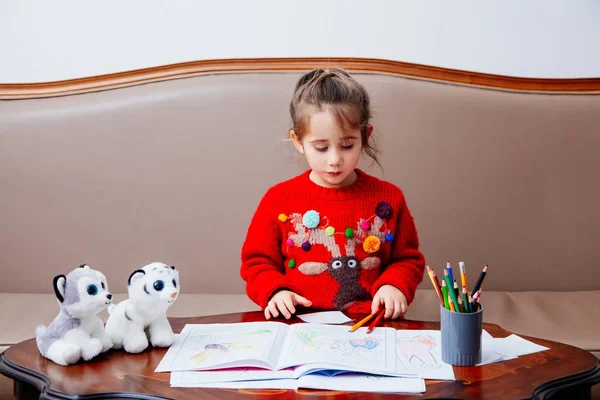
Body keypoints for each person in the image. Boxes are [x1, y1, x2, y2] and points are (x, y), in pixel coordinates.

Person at [240, 68, 425, 321]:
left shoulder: (389, 197)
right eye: (321, 147)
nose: (335, 160)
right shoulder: (278, 199)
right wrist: (276, 290)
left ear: (365, 136)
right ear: (298, 141)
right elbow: (257, 262)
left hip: (369, 323)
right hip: (298, 323)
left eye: (347, 145)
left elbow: (407, 259)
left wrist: (393, 284)